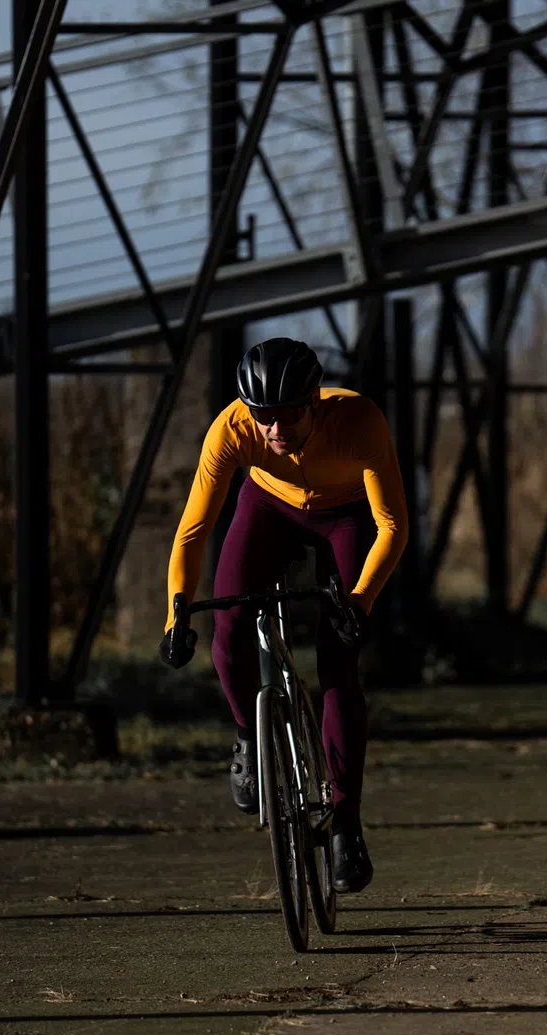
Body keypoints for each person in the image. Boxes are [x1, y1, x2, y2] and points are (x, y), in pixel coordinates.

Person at [158, 337, 408, 894]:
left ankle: (346, 825)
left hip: (344, 515)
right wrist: (176, 615)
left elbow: (392, 525)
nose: (274, 428)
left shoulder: (359, 421)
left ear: (313, 401)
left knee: (338, 664)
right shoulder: (231, 428)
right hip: (267, 506)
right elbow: (193, 530)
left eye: (288, 414)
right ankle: (249, 737)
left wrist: (361, 600)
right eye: (262, 415)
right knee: (228, 627)